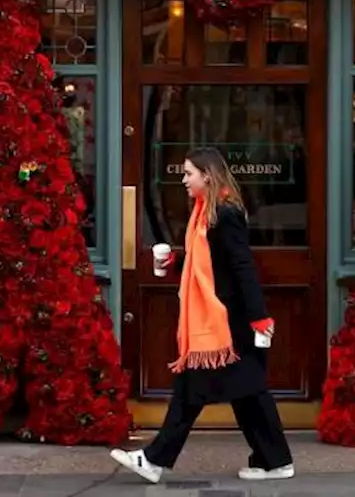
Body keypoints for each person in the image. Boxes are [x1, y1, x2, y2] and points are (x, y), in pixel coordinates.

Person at [110, 147, 294, 484]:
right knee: (246, 392)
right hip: (220, 319)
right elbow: (209, 264)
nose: (183, 180)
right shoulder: (205, 213)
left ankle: (154, 460)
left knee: (202, 390)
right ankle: (274, 460)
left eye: (188, 174)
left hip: (226, 321)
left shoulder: (225, 214)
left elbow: (241, 267)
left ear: (206, 176)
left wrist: (259, 318)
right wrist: (174, 262)